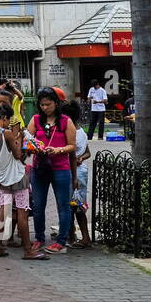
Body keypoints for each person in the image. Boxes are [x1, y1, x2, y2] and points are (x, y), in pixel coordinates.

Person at [0, 105, 46, 260]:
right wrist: (19, 139)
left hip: (2, 176)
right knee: (22, 213)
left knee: (3, 212)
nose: (9, 122)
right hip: (17, 176)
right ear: (4, 118)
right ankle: (28, 250)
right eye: (8, 119)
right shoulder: (7, 133)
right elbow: (18, 155)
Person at [25, 87, 76, 255]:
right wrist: (35, 148)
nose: (45, 107)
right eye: (42, 104)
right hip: (39, 168)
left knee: (63, 206)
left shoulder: (66, 121)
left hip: (60, 168)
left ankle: (61, 241)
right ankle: (39, 238)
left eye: (48, 104)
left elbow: (72, 146)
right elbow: (27, 141)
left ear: (56, 103)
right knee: (38, 206)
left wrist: (58, 150)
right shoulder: (36, 120)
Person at [61, 99, 93, 248]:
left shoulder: (71, 132)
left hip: (75, 173)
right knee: (75, 206)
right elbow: (87, 153)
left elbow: (72, 155)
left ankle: (80, 237)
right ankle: (73, 235)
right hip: (80, 171)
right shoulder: (82, 132)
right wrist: (81, 158)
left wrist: (76, 161)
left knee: (74, 207)